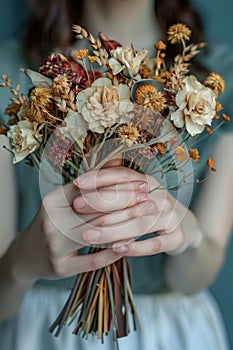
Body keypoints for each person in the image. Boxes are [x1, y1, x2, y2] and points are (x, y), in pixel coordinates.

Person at [0, 0, 233, 349]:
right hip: (45, 333)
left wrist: (190, 236)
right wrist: (21, 261)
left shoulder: (219, 76)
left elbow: (196, 278)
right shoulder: (10, 73)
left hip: (170, 335)